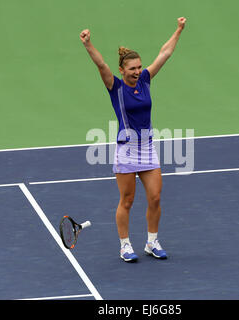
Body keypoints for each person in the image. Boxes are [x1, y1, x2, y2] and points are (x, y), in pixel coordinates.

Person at [80, 17, 187, 262]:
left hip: (147, 147)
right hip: (127, 150)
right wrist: (88, 44)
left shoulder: (146, 80)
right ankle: (125, 246)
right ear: (122, 71)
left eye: (139, 67)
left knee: (155, 197)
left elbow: (165, 53)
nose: (138, 71)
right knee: (127, 200)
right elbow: (101, 64)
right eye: (132, 69)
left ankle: (151, 242)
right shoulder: (115, 87)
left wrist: (178, 29)